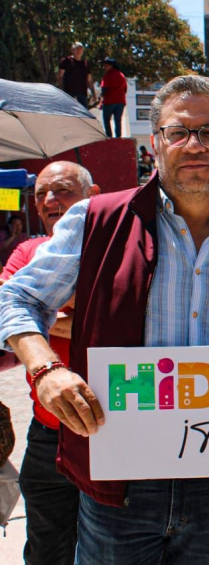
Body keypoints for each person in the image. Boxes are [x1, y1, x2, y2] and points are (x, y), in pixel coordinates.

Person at [0, 75, 209, 563]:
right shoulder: (96, 220)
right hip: (118, 480)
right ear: (155, 144)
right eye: (177, 132)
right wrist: (45, 369)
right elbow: (15, 297)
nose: (194, 146)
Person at [0, 162, 99, 565]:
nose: (49, 201)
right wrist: (81, 317)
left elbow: (133, 321)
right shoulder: (28, 250)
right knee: (47, 547)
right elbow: (7, 311)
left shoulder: (121, 250)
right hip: (48, 433)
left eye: (62, 190)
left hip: (116, 429)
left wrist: (44, 313)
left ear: (93, 195)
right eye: (41, 194)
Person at [57, 42, 96, 107]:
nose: (79, 51)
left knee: (83, 115)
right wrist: (61, 90)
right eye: (77, 49)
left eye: (81, 49)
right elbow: (60, 76)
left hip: (82, 94)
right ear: (72, 50)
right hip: (69, 93)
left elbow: (89, 80)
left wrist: (93, 93)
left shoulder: (85, 64)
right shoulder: (66, 61)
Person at [99, 57, 127, 138]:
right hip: (120, 102)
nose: (104, 67)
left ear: (111, 66)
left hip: (109, 101)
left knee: (106, 120)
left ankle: (109, 137)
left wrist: (100, 98)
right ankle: (118, 137)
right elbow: (125, 89)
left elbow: (104, 89)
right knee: (118, 121)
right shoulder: (122, 75)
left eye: (106, 65)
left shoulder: (108, 75)